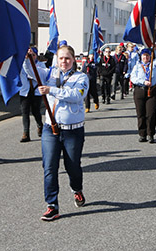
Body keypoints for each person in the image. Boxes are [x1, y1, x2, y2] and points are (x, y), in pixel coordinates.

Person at [38, 44, 90, 221]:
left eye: (67, 58)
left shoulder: (81, 77)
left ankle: (77, 189)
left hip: (73, 131)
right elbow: (32, 72)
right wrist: (26, 56)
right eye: (61, 58)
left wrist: (52, 90)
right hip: (50, 129)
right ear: (56, 59)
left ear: (73, 59)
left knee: (72, 166)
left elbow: (77, 95)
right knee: (49, 167)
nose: (64, 61)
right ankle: (52, 205)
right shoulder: (50, 74)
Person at [130, 46, 156, 143]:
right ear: (141, 57)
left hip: (152, 90)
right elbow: (133, 78)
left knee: (151, 114)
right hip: (140, 90)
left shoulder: (154, 65)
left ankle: (151, 134)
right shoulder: (137, 66)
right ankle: (142, 134)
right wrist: (143, 81)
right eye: (144, 56)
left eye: (147, 56)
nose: (145, 58)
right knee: (141, 114)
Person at [19, 47, 44, 142]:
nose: (31, 57)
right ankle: (26, 133)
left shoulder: (41, 65)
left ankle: (39, 125)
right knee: (25, 112)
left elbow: (34, 75)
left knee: (35, 111)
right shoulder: (23, 64)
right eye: (30, 55)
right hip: (24, 91)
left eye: (33, 55)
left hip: (36, 92)